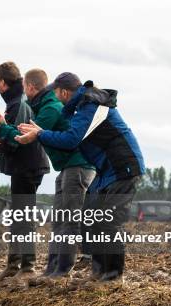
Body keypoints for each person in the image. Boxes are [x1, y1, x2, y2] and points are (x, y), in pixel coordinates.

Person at [17, 73, 145, 282]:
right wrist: (42, 131)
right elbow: (72, 132)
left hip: (124, 167)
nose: (56, 98)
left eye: (56, 93)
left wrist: (40, 134)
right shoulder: (82, 107)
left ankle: (112, 278)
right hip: (106, 170)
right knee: (90, 218)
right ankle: (97, 273)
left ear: (64, 92)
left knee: (109, 223)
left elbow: (71, 140)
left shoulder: (91, 104)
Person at [0, 69, 96, 282]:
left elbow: (18, 140)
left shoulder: (36, 106)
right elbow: (17, 135)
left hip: (30, 165)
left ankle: (34, 267)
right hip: (42, 165)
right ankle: (37, 268)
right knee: (36, 218)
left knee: (31, 217)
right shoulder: (32, 104)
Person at [0, 62, 50, 284]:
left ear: (2, 83)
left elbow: (14, 142)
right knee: (18, 216)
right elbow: (8, 139)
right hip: (26, 164)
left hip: (27, 165)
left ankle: (27, 267)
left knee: (23, 217)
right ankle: (13, 266)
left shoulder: (17, 104)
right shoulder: (16, 101)